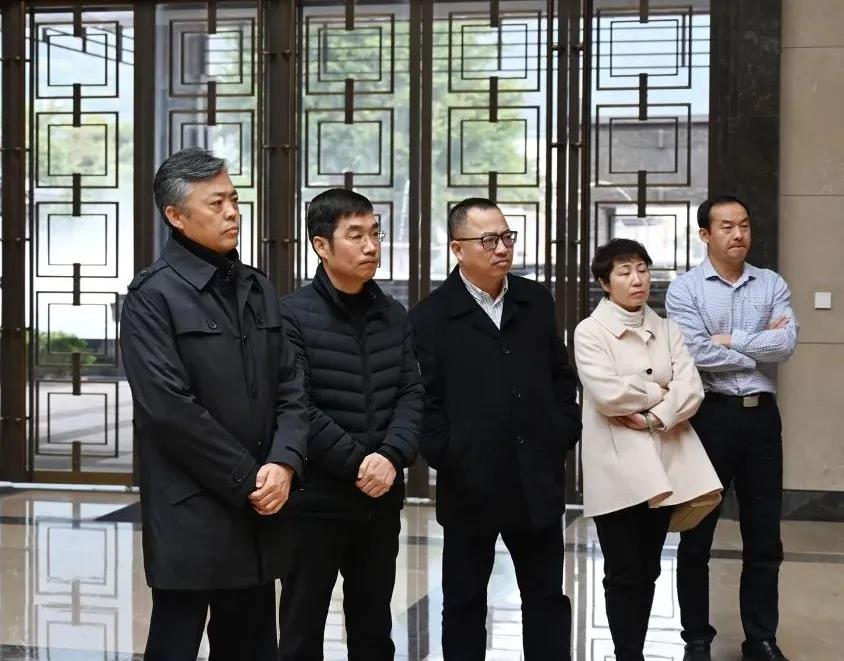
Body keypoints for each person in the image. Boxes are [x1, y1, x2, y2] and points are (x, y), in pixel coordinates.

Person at [120, 147, 309, 660]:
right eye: (216, 203)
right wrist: (251, 479)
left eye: (234, 200)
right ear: (176, 216)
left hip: (260, 506)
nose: (232, 213)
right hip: (194, 510)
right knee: (176, 642)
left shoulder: (257, 287)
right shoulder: (151, 297)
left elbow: (291, 385)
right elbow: (169, 409)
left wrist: (285, 462)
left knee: (252, 644)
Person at [409, 197, 581, 661]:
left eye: (507, 237)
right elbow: (425, 403)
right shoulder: (430, 316)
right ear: (457, 248)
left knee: (546, 600)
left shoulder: (534, 300)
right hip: (471, 484)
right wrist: (452, 454)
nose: (502, 248)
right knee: (464, 603)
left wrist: (561, 431)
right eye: (488, 240)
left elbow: (561, 377)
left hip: (535, 478)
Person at [276, 188, 423, 660]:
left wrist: (391, 456)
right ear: (321, 245)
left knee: (373, 630)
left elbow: (411, 393)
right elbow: (296, 404)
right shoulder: (291, 315)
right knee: (301, 631)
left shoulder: (393, 314)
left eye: (375, 233)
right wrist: (362, 464)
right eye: (355, 235)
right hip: (315, 502)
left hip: (379, 503)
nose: (371, 246)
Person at [573, 238, 722, 661]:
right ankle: (627, 654)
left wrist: (654, 416)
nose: (637, 279)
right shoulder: (590, 332)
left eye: (642, 269)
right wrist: (661, 390)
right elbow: (608, 395)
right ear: (605, 283)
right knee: (624, 571)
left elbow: (691, 390)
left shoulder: (668, 329)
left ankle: (633, 650)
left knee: (649, 567)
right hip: (616, 467)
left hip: (663, 463)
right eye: (624, 272)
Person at [666, 195, 798, 661]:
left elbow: (786, 345)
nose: (738, 234)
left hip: (762, 419)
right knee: (696, 536)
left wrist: (730, 339)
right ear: (705, 234)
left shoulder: (772, 283)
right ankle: (696, 640)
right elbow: (695, 352)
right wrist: (753, 349)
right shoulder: (685, 290)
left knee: (764, 537)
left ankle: (760, 638)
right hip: (709, 418)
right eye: (726, 226)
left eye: (744, 225)